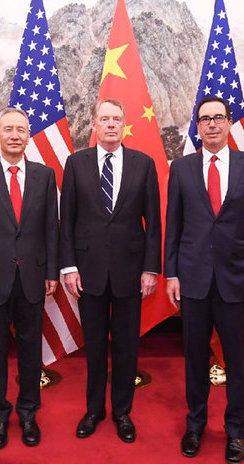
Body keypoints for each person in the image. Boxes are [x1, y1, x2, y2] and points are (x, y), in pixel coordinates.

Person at [164, 97, 244, 464]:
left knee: (237, 361)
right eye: (204, 119)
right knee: (194, 358)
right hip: (192, 281)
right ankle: (195, 426)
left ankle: (237, 431)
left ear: (228, 123)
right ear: (197, 126)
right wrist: (172, 273)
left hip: (237, 280)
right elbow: (173, 228)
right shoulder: (181, 168)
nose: (211, 125)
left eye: (218, 118)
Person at [59, 99, 161, 443]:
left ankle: (122, 412)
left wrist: (151, 268)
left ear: (124, 125)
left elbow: (154, 222)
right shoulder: (75, 164)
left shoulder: (143, 164)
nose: (111, 125)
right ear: (94, 125)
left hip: (132, 273)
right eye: (105, 119)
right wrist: (69, 266)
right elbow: (67, 221)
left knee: (127, 346)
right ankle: (93, 410)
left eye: (117, 119)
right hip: (86, 273)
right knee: (95, 346)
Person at [0, 107, 59, 449]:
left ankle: (29, 413)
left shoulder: (44, 176)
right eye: (9, 129)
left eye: (21, 129)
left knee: (32, 352)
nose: (15, 135)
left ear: (28, 135)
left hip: (33, 278)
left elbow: (51, 228)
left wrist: (51, 272)